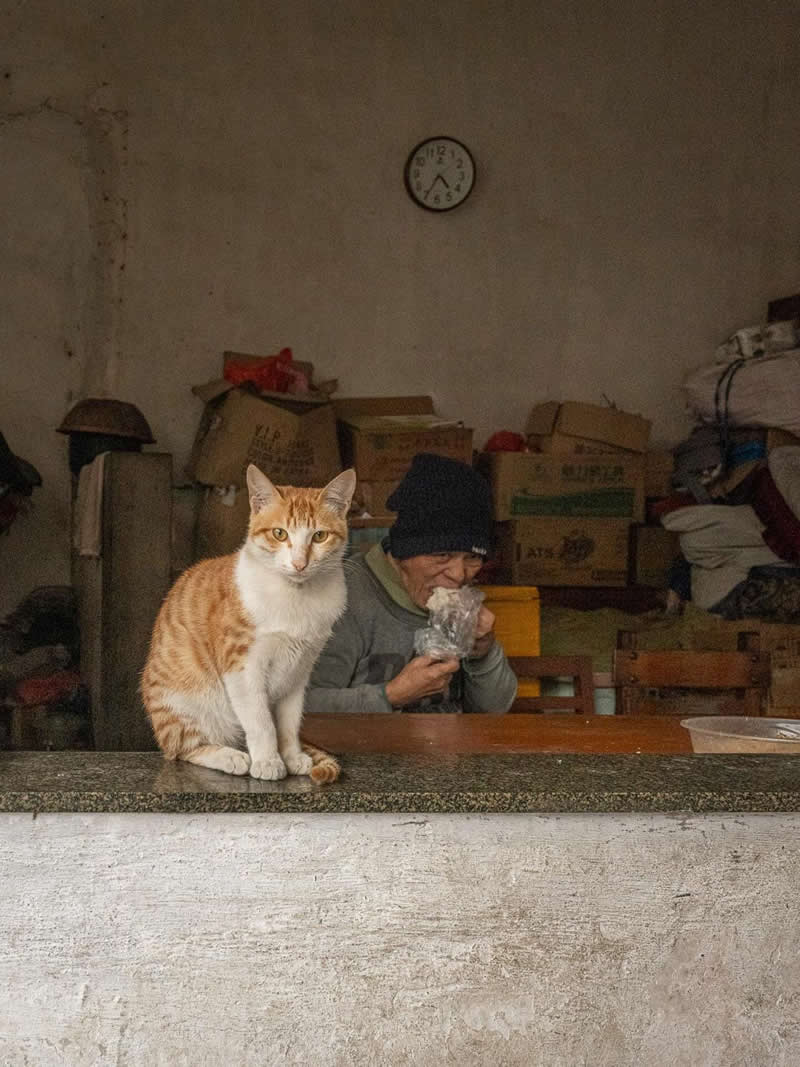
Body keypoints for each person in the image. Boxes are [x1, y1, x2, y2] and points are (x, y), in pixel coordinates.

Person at [306, 452, 518, 714]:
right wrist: (390, 696)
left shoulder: (461, 600)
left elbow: (495, 713)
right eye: (442, 555)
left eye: (473, 557)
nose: (459, 575)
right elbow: (300, 708)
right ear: (403, 551)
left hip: (449, 752)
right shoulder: (341, 597)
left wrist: (483, 653)